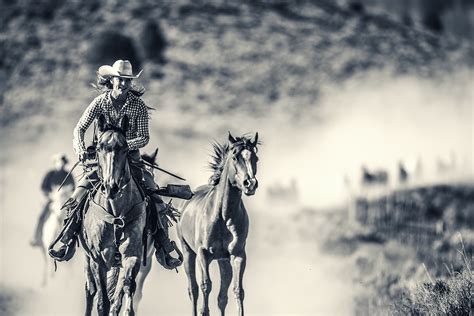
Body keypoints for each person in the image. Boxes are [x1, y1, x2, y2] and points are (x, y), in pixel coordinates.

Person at [48, 60, 182, 269]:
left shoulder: (137, 106)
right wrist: (81, 149)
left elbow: (144, 137)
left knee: (154, 196)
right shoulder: (100, 102)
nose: (124, 84)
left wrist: (123, 146)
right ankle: (67, 238)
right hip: (101, 160)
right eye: (121, 80)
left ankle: (163, 245)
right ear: (113, 80)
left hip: (130, 159)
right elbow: (79, 128)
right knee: (77, 196)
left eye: (128, 81)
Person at [30, 153, 75, 247]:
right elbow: (43, 187)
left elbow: (74, 188)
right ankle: (36, 237)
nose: (61, 164)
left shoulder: (68, 174)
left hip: (67, 200)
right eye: (60, 161)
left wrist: (69, 195)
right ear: (56, 163)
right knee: (41, 216)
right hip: (53, 200)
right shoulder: (50, 174)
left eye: (63, 162)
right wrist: (51, 195)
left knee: (77, 214)